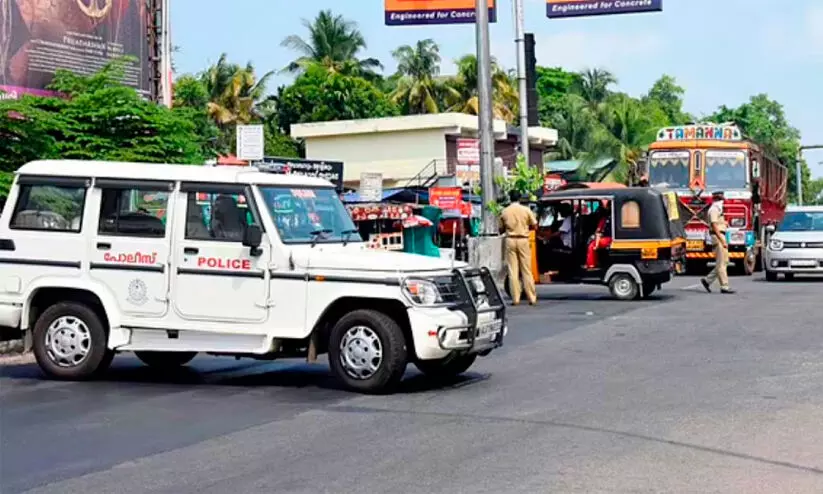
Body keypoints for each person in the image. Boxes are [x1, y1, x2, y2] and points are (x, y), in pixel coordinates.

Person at [499, 190, 538, 306]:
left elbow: (500, 229)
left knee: (513, 271)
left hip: (510, 240)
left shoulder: (505, 211)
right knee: (526, 270)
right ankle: (532, 297)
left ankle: (515, 299)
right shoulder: (526, 210)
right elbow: (535, 225)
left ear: (510, 198)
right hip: (523, 239)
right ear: (520, 198)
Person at [701, 191, 735, 294]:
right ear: (716, 200)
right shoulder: (714, 209)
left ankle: (707, 280)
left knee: (724, 261)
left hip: (721, 235)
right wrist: (722, 239)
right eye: (721, 199)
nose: (722, 201)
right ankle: (724, 286)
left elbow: (718, 223)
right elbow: (714, 226)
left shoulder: (718, 209)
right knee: (721, 263)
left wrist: (724, 223)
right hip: (718, 236)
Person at [585, 200, 612, 269]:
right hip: (611, 237)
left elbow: (598, 232)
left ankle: (591, 265)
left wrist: (596, 245)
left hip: (608, 239)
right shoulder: (612, 217)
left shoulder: (604, 220)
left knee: (591, 245)